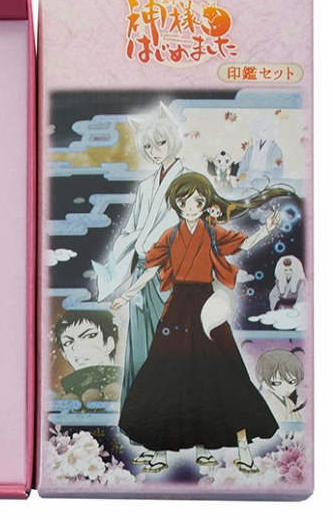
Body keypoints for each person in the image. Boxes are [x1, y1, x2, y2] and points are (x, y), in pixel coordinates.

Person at [114, 173, 297, 474]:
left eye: (197, 201)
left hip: (206, 309)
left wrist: (266, 228)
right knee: (164, 374)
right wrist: (127, 294)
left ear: (205, 203)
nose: (190, 207)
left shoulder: (212, 233)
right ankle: (159, 449)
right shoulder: (170, 235)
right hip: (177, 308)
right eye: (184, 201)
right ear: (176, 204)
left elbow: (242, 244)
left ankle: (230, 449)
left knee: (224, 373)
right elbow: (151, 269)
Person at [93, 102, 187, 409]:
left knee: (172, 340)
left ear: (173, 139)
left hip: (173, 271)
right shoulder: (147, 186)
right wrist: (122, 260)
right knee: (140, 340)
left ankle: (176, 414)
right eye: (148, 146)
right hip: (143, 269)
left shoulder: (188, 181)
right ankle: (141, 414)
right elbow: (131, 230)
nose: (155, 151)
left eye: (160, 143)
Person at [53, 310, 123, 403]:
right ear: (64, 354)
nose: (76, 347)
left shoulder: (126, 382)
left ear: (109, 343)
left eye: (90, 336)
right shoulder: (66, 394)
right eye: (68, 342)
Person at [256, 349, 305, 423]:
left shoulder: (290, 403)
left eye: (292, 382)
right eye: (277, 383)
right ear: (265, 384)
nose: (286, 387)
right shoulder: (269, 404)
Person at [238, 115, 283, 185]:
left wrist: (259, 174)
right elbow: (241, 170)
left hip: (266, 186)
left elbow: (277, 173)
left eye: (263, 130)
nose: (260, 133)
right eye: (257, 130)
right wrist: (248, 175)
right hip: (248, 185)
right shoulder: (250, 150)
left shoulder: (275, 151)